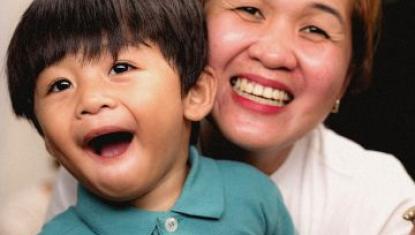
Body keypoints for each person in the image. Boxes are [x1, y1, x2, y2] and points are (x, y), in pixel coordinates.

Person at [46, 0, 415, 234]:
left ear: (346, 77)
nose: (273, 53)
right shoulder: (108, 158)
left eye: (315, 29)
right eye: (249, 10)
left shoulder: (379, 197)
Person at [6, 0, 295, 234]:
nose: (91, 100)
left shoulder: (252, 196)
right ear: (48, 140)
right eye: (60, 85)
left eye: (121, 68)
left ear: (194, 93)